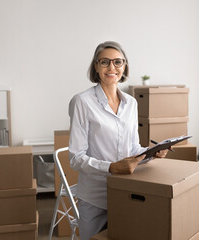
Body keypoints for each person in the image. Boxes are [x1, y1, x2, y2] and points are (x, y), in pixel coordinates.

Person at [68, 41, 169, 240]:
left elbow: (132, 148)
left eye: (117, 62)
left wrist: (151, 153)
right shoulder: (82, 102)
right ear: (96, 66)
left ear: (124, 66)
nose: (111, 68)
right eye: (105, 62)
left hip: (126, 191)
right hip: (95, 196)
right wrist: (112, 167)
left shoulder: (131, 103)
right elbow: (76, 158)